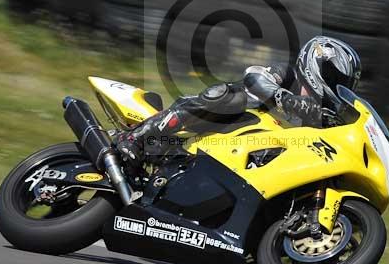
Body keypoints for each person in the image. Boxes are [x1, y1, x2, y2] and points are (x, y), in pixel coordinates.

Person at [116, 36, 362, 168]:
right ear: (315, 65)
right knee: (228, 96)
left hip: (248, 157)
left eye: (342, 83)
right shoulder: (288, 74)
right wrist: (286, 99)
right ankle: (137, 138)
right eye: (333, 77)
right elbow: (254, 76)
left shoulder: (322, 117)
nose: (335, 85)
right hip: (221, 123)